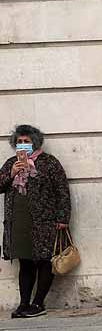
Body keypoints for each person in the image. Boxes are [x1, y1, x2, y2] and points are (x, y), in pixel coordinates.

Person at [1, 125, 70, 319]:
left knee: (44, 260)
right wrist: (12, 173)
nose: (23, 145)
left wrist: (63, 218)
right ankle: (24, 303)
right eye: (20, 142)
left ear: (35, 142)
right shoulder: (10, 163)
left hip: (44, 221)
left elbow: (62, 191)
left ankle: (38, 303)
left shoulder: (49, 162)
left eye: (27, 141)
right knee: (25, 261)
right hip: (19, 221)